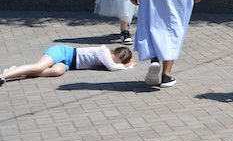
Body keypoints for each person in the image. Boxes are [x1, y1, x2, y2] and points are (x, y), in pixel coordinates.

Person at [0, 44, 136, 86]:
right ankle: (4, 75)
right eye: (113, 59)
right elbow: (112, 67)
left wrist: (124, 64)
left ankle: (16, 71)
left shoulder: (108, 56)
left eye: (116, 61)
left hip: (70, 64)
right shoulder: (103, 51)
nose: (111, 61)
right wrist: (127, 66)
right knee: (39, 67)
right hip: (63, 52)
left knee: (56, 72)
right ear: (112, 51)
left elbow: (112, 65)